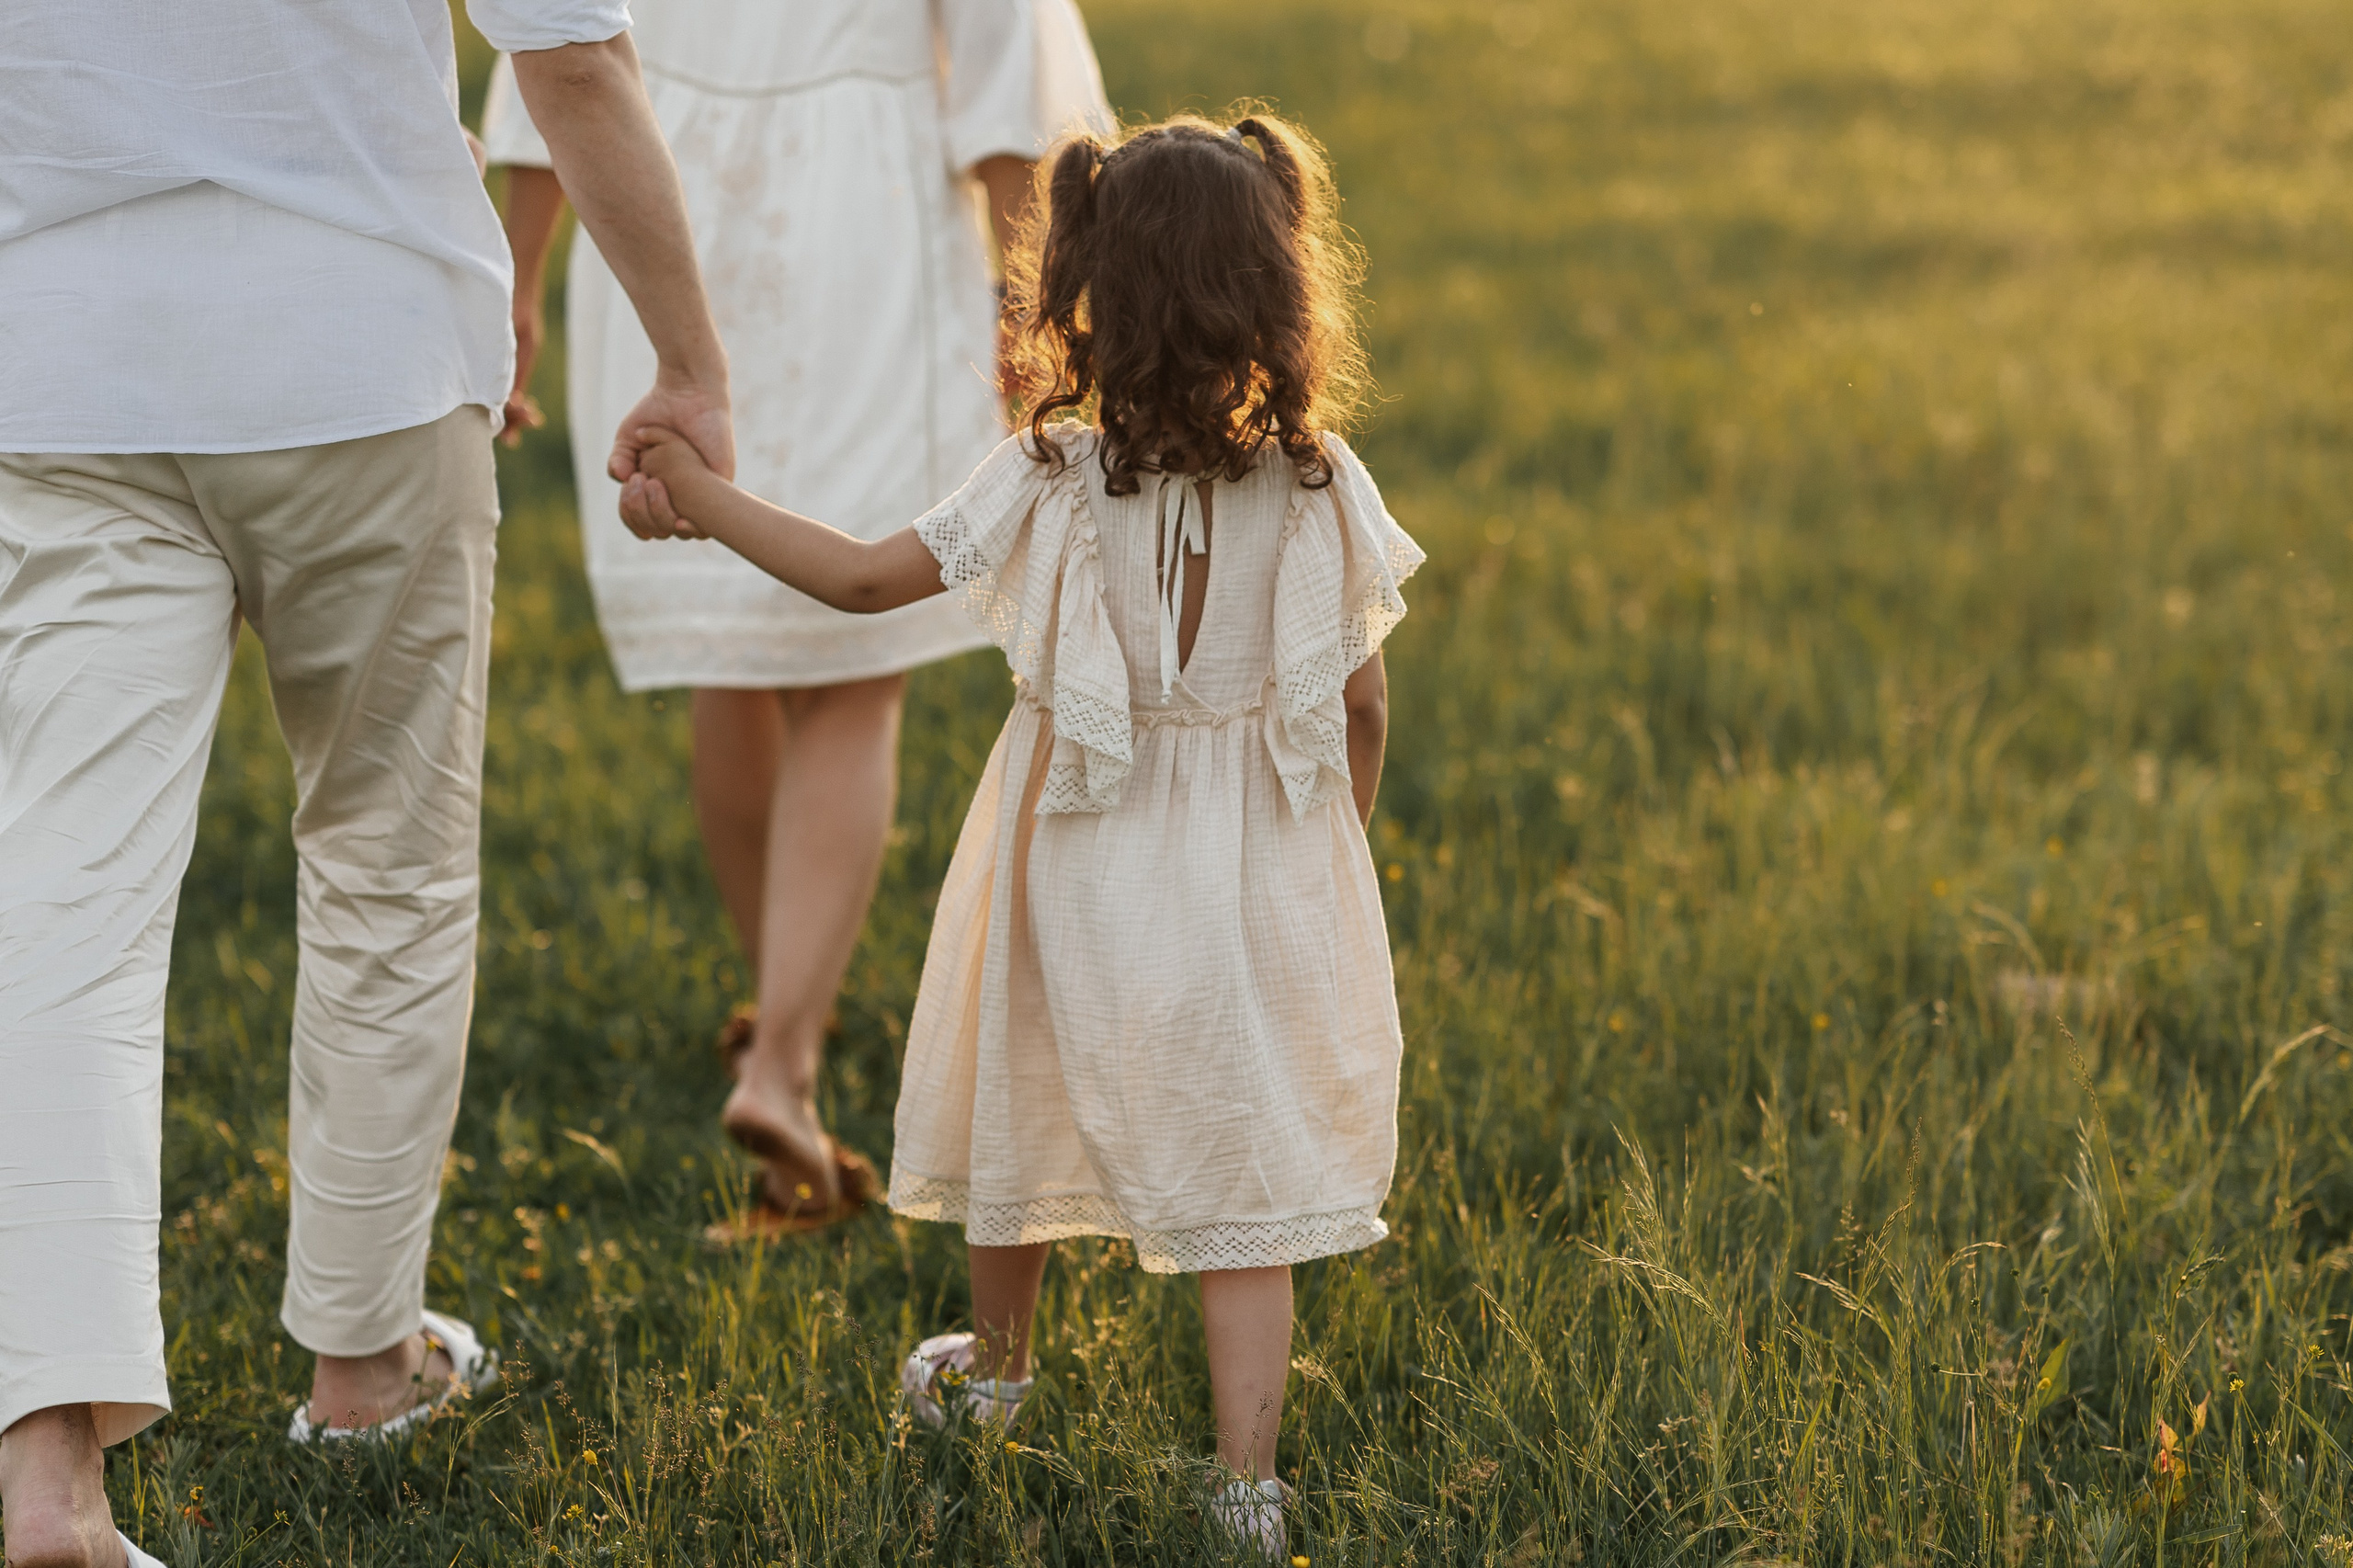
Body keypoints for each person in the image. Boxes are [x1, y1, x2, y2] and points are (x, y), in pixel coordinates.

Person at [619, 112, 1420, 1560]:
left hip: (1071, 860)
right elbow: (1359, 700)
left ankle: (997, 1376)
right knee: (1246, 1179)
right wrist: (1329, 853)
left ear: (1086, 290)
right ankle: (1248, 1480)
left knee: (1021, 1091)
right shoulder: (1318, 481)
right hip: (1251, 874)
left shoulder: (1049, 472)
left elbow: (865, 584)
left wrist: (707, 501)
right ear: (1280, 291)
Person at [0, 6, 733, 1565]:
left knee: (65, 902)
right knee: (385, 862)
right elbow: (575, 58)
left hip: (62, 365)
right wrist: (686, 361)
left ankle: (51, 1483)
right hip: (362, 340)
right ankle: (359, 1374)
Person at [477, 0, 1115, 1241]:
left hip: (655, 196)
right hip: (863, 205)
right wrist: (1018, 293)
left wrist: (523, 272)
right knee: (851, 668)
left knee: (740, 642)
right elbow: (1003, 63)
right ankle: (786, 1057)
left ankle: (779, 1007)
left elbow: (543, 38)